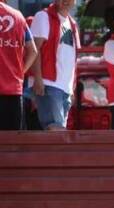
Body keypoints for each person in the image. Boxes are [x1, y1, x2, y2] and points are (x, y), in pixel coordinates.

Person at [29, 0, 80, 130]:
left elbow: (72, 58)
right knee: (55, 130)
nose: (66, 1)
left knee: (57, 132)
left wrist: (72, 88)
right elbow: (35, 49)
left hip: (65, 88)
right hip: (48, 84)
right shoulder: (43, 16)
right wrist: (38, 79)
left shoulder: (73, 23)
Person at [0, 0, 37, 130]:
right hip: (14, 91)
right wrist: (20, 73)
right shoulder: (19, 17)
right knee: (12, 144)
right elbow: (33, 51)